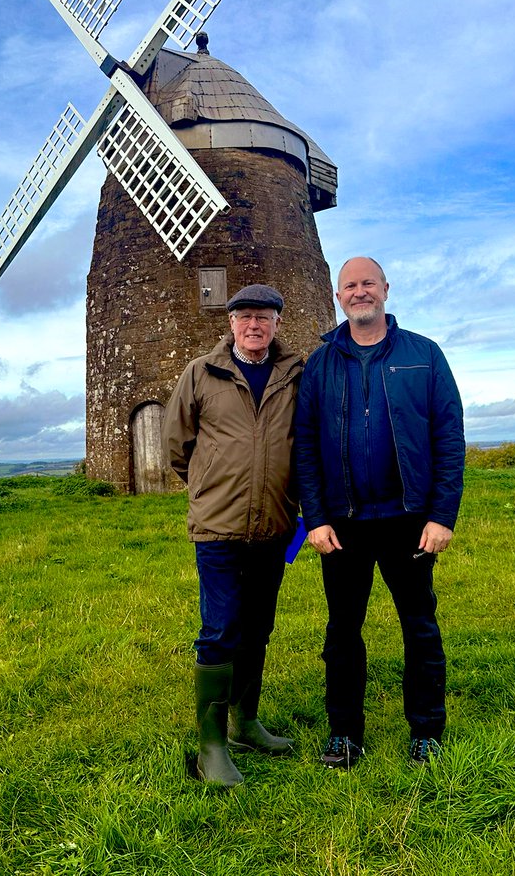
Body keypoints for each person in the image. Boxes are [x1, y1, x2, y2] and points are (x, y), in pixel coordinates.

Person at [294, 256, 465, 769]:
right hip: (342, 523)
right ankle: (345, 735)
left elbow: (448, 439)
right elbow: (304, 444)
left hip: (408, 519)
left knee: (419, 625)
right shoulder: (320, 363)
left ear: (385, 289)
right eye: (350, 286)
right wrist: (315, 517)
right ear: (338, 296)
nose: (359, 292)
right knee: (342, 629)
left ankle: (427, 733)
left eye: (368, 283)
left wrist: (442, 515)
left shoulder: (425, 355)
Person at [162, 284, 305, 787]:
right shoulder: (201, 373)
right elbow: (178, 446)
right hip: (218, 529)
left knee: (259, 627)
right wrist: (211, 488)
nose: (254, 325)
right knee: (220, 629)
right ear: (230, 323)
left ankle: (246, 723)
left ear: (277, 323)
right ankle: (212, 746)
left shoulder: (296, 374)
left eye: (263, 317)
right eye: (244, 316)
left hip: (275, 527)